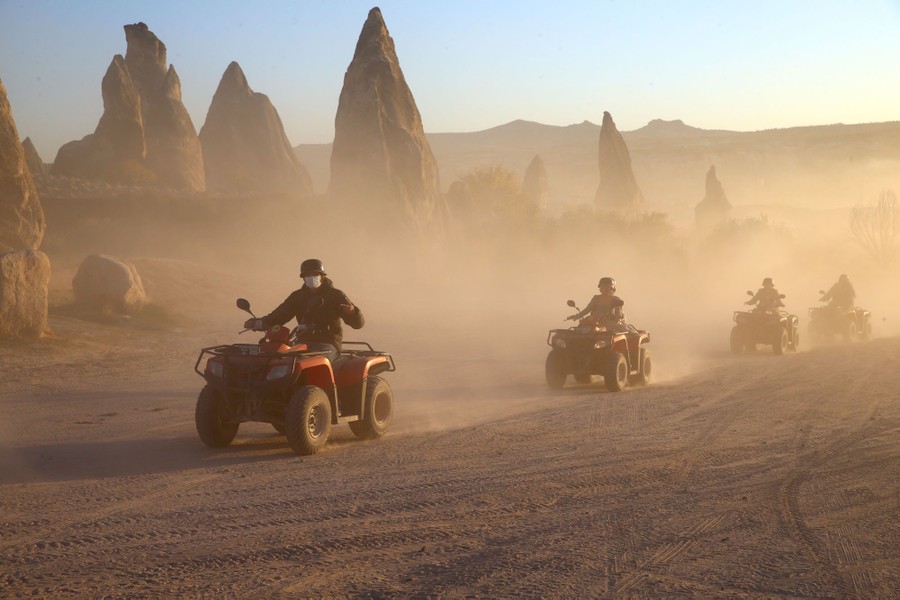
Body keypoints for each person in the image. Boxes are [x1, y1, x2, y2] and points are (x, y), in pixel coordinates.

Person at [243, 259, 364, 363]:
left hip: (328, 343)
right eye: (308, 274)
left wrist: (353, 313)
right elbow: (280, 315)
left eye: (315, 274)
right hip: (301, 341)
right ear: (303, 277)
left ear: (322, 276)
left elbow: (358, 324)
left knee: (313, 364)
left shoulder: (336, 295)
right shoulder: (297, 296)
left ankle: (316, 390)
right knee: (281, 362)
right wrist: (258, 322)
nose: (311, 277)